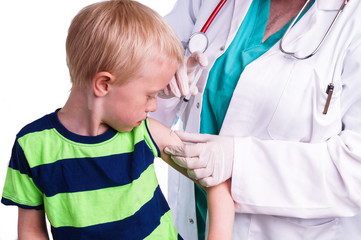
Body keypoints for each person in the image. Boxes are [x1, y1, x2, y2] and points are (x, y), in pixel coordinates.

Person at [0, 0, 234, 239]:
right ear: (104, 84)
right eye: (150, 95)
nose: (155, 105)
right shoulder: (32, 145)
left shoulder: (145, 133)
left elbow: (216, 183)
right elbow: (30, 230)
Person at [150, 0, 361, 239]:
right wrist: (158, 84)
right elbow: (127, 96)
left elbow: (356, 172)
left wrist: (238, 161)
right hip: (193, 219)